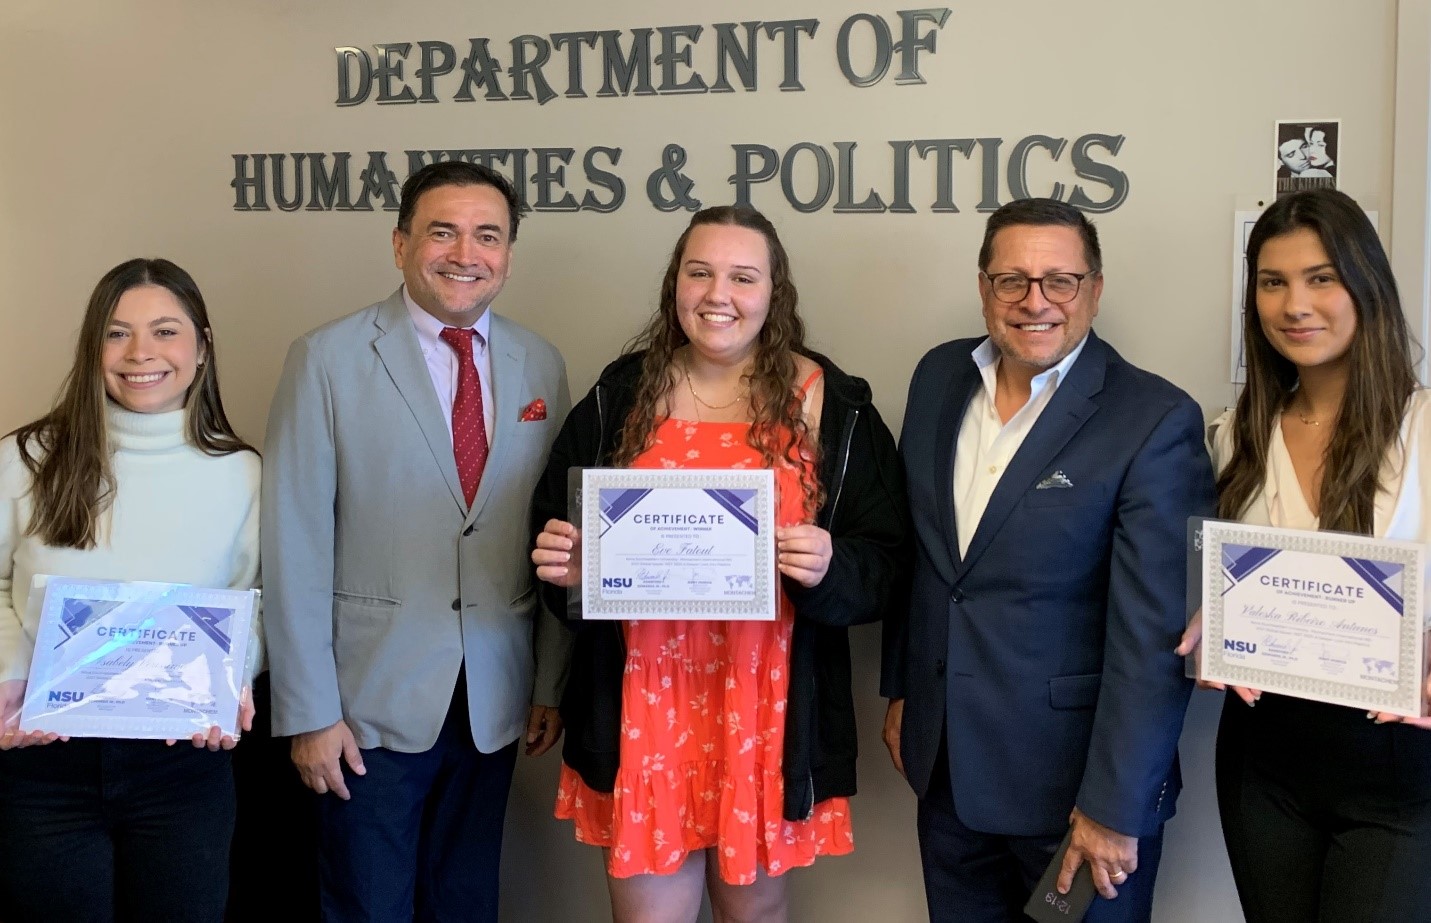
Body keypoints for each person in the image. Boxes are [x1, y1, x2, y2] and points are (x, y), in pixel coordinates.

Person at [530, 205, 907, 923]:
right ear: (675, 283)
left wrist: (831, 564)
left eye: (742, 276)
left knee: (755, 914)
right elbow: (556, 535)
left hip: (764, 706)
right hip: (642, 700)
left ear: (774, 291)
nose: (717, 294)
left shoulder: (835, 404)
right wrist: (573, 573)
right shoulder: (618, 397)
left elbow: (887, 561)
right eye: (698, 272)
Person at [882, 197, 1216, 922]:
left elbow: (1153, 638)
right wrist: (904, 687)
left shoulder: (1153, 419)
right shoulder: (937, 379)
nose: (1035, 301)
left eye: (1059, 280)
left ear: (1093, 290)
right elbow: (926, 560)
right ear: (982, 287)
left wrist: (1113, 806)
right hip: (945, 771)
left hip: (1075, 796)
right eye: (1012, 280)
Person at [262, 159, 571, 922]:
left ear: (506, 253)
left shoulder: (541, 362)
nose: (465, 252)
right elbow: (293, 540)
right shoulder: (326, 359)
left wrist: (548, 682)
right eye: (443, 231)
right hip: (363, 707)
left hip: (494, 700)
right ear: (400, 243)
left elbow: (557, 528)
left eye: (487, 235)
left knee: (464, 902)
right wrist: (307, 711)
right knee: (367, 907)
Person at [1177, 188, 1431, 922]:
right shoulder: (1233, 435)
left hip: (1398, 771)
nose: (1294, 303)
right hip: (1265, 760)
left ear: (1365, 284)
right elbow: (1216, 583)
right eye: (1271, 281)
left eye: (1321, 277)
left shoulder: (1421, 428)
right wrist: (1208, 621)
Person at [0, 257, 262, 921]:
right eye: (117, 333)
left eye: (165, 331)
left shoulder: (244, 472)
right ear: (94, 349)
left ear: (202, 347)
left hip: (183, 767)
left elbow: (254, 602)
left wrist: (234, 676)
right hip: (43, 766)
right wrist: (7, 673)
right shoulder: (26, 459)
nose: (142, 352)